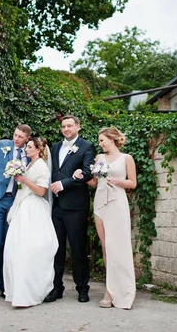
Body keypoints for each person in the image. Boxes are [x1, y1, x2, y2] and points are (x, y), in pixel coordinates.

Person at [75, 127, 137, 309]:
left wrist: (117, 181)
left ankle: (119, 291)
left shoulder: (127, 158)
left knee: (118, 247)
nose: (100, 143)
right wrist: (82, 177)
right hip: (101, 203)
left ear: (112, 139)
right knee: (105, 247)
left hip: (117, 202)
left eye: (102, 140)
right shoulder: (99, 159)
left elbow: (132, 183)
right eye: (99, 140)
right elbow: (94, 182)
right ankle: (109, 290)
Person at [45, 115, 96, 303]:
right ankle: (56, 288)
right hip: (57, 206)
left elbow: (88, 173)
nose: (66, 129)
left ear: (77, 127)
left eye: (69, 126)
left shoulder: (87, 146)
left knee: (77, 249)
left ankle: (83, 288)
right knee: (56, 249)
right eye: (63, 126)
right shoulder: (56, 147)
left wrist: (64, 183)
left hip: (76, 207)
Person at [3, 137, 57, 307]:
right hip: (23, 207)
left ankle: (31, 291)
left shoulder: (41, 166)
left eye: (29, 147)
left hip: (34, 209)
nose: (26, 149)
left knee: (30, 250)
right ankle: (18, 291)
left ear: (38, 150)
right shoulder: (29, 164)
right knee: (16, 249)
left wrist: (24, 180)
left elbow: (41, 191)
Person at [0, 125, 31, 300]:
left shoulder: (28, 153)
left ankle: (6, 284)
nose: (16, 138)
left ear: (26, 138)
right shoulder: (2, 145)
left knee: (10, 244)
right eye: (15, 135)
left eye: (20, 137)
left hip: (14, 201)